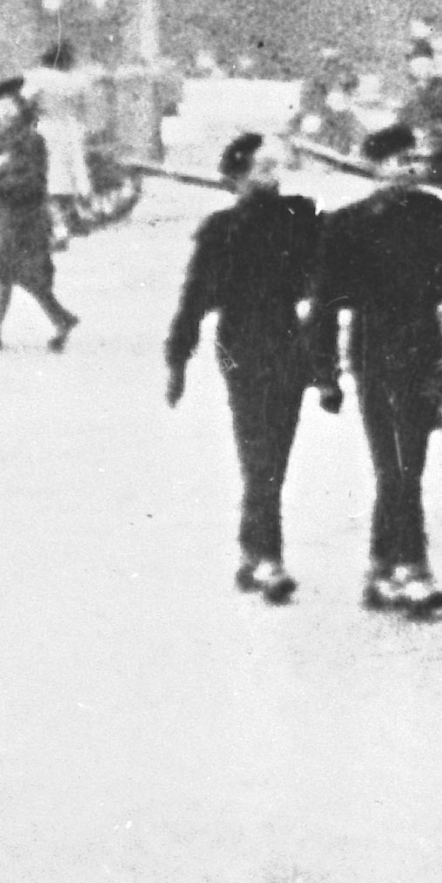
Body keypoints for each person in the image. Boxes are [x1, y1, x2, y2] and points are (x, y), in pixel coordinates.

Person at [303, 123, 442, 617]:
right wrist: (323, 373)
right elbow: (325, 303)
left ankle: (383, 569)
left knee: (406, 466)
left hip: (426, 347)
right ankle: (412, 568)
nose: (412, 167)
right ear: (375, 167)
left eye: (417, 159)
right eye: (399, 160)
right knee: (397, 466)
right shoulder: (347, 224)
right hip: (374, 349)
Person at [165, 132, 323, 601]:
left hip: (289, 343)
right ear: (237, 177)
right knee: (260, 458)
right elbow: (194, 298)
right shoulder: (220, 230)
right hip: (241, 347)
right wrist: (178, 360)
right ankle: (267, 558)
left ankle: (253, 554)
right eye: (263, 169)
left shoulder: (303, 215)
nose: (273, 178)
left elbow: (327, 278)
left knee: (272, 456)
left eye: (277, 169)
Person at [0, 84, 79, 352]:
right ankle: (61, 319)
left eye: (6, 104)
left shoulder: (30, 140)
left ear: (18, 109)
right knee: (23, 276)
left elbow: (29, 180)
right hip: (1, 214)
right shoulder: (1, 136)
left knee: (7, 272)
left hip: (20, 216)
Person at [25, 40, 97, 243]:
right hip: (71, 129)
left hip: (47, 128)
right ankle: (78, 215)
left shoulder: (38, 77)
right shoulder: (77, 79)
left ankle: (59, 226)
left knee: (49, 178)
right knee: (73, 174)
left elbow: (26, 101)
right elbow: (86, 104)